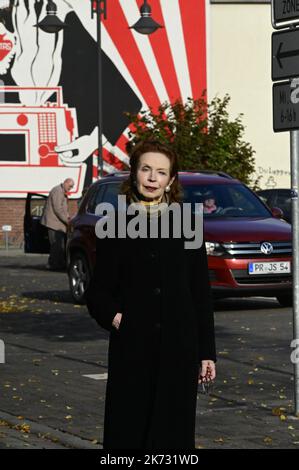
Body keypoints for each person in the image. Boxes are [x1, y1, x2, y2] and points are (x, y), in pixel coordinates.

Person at [85, 140, 216, 450]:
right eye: (146, 169)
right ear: (134, 175)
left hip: (179, 349)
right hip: (132, 348)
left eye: (161, 172)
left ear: (171, 180)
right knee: (129, 432)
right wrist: (117, 319)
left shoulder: (187, 225)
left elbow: (200, 292)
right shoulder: (113, 226)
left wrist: (206, 351)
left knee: (174, 435)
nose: (152, 178)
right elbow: (98, 292)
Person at [41, 178, 74, 270]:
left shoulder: (61, 191)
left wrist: (67, 217)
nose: (71, 188)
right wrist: (67, 222)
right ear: (65, 183)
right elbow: (58, 209)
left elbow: (63, 208)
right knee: (56, 245)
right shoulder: (58, 191)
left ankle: (55, 264)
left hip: (57, 223)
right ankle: (53, 265)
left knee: (58, 245)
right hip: (53, 223)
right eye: (70, 186)